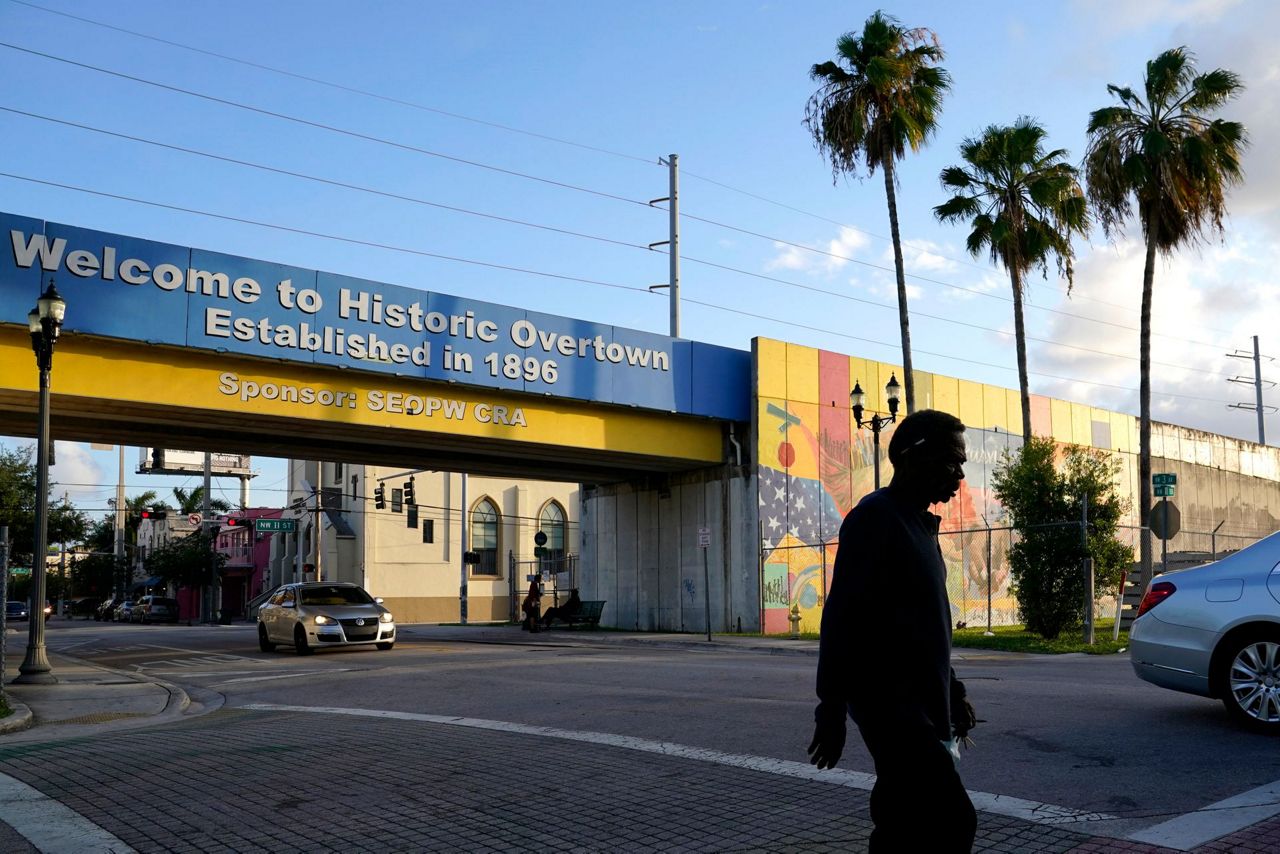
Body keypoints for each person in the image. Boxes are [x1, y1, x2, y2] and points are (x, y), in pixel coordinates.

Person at [807, 409, 978, 853]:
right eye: (950, 461)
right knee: (952, 819)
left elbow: (917, 624)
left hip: (921, 702)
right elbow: (844, 616)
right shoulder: (876, 518)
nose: (959, 474)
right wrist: (831, 706)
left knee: (904, 822)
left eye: (961, 464)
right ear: (911, 457)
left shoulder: (920, 526)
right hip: (889, 703)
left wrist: (953, 689)